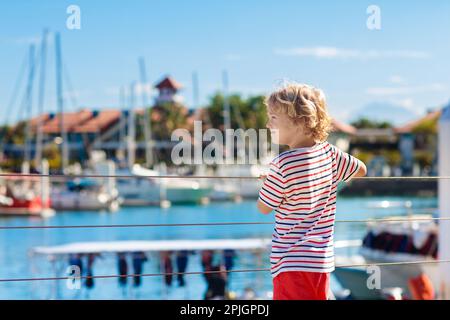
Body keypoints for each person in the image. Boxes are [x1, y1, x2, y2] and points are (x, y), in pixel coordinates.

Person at [257, 82, 367, 300]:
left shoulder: (282, 164)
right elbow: (361, 170)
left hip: (290, 262)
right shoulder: (329, 153)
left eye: (274, 118)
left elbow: (263, 208)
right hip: (321, 262)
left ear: (298, 122)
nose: (268, 124)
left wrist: (270, 182)